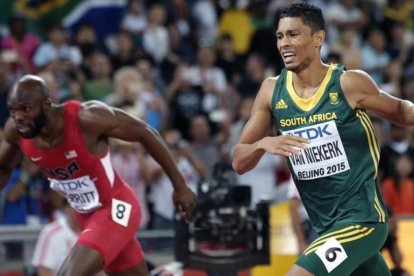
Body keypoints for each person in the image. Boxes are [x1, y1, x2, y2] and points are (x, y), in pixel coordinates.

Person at [231, 2, 413, 275]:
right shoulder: (271, 91)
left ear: (319, 38)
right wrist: (262, 144)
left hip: (361, 221)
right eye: (280, 36)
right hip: (326, 227)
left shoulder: (348, 83)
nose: (284, 43)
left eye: (293, 34)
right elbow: (239, 161)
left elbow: (401, 111)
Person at [0, 75, 197, 275]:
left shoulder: (86, 118)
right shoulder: (16, 132)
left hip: (117, 206)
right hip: (86, 215)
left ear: (46, 105)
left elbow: (145, 132)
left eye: (25, 109)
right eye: (12, 110)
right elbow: (3, 169)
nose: (18, 117)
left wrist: (180, 186)